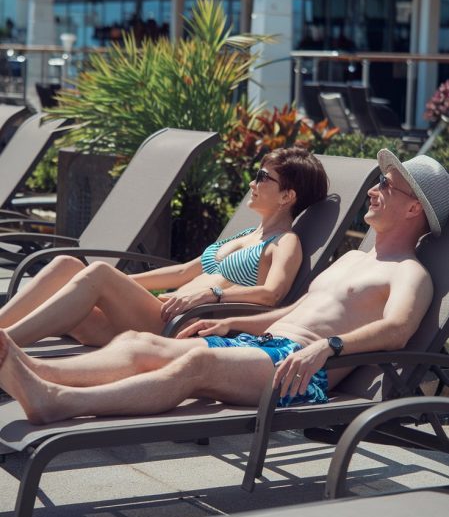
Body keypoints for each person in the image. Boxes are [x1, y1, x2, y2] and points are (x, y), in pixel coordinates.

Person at [1, 150, 448, 426]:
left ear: (413, 209)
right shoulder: (351, 259)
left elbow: (396, 330)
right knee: (139, 343)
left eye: (386, 185)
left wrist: (328, 348)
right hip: (263, 344)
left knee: (196, 363)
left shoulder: (411, 274)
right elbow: (289, 311)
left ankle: (58, 401)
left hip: (302, 372)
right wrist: (236, 320)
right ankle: (34, 374)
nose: (374, 190)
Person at [0, 147, 328, 348]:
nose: (252, 184)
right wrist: (113, 284)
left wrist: (210, 296)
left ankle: (7, 346)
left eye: (263, 178)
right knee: (67, 265)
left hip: (174, 326)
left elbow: (272, 294)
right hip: (151, 311)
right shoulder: (244, 234)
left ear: (287, 196)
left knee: (97, 272)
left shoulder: (286, 242)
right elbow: (184, 271)